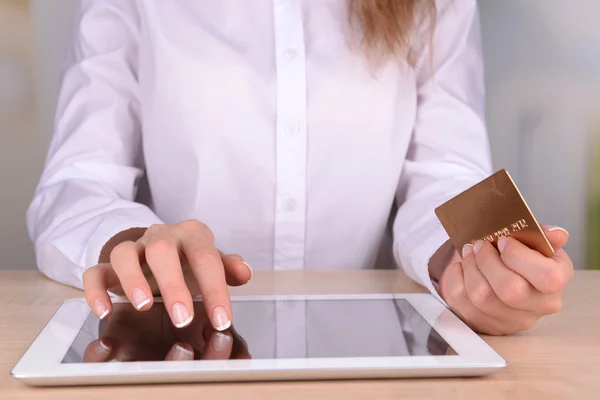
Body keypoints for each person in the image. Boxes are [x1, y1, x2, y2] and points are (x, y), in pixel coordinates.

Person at [27, 0, 573, 337]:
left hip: (370, 352)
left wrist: (474, 255)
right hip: (177, 344)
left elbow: (446, 168)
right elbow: (78, 180)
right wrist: (130, 241)